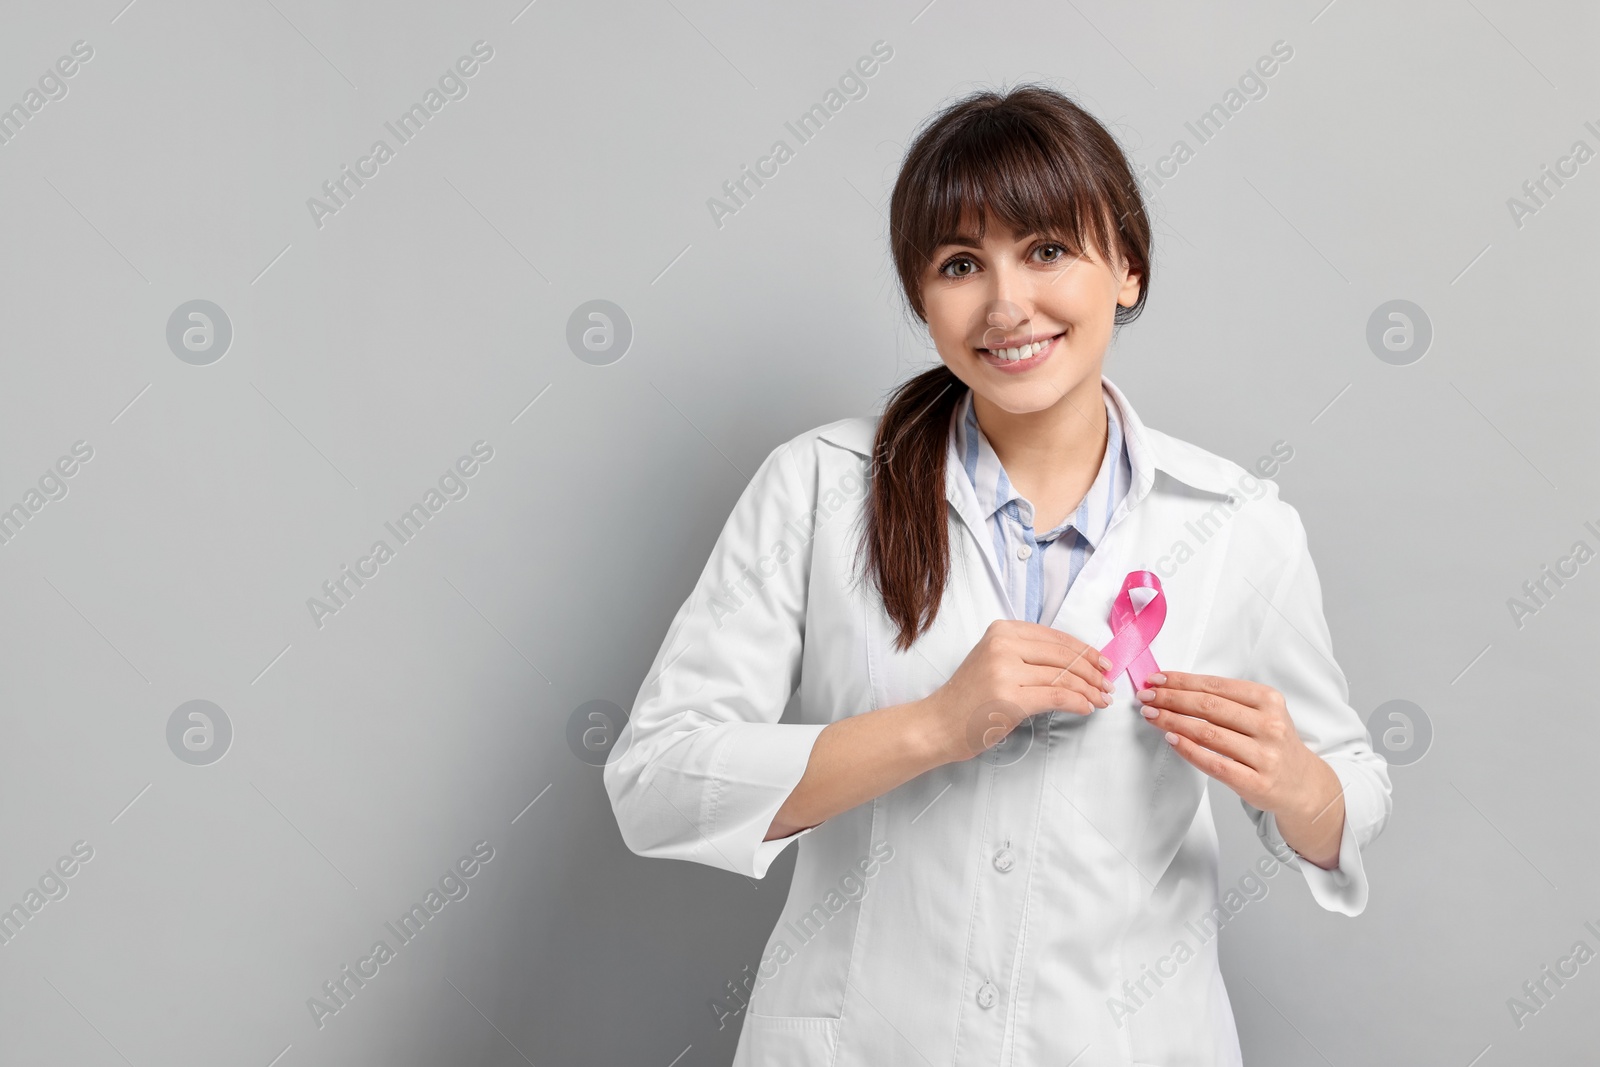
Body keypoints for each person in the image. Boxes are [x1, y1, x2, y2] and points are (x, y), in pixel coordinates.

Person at [604, 83, 1393, 1066]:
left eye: (1048, 250)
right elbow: (656, 782)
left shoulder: (1236, 525)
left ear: (1128, 270)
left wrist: (1300, 783)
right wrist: (935, 725)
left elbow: (1345, 796)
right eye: (961, 263)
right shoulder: (817, 487)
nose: (1007, 302)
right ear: (921, 299)